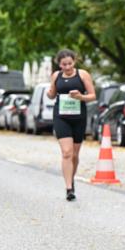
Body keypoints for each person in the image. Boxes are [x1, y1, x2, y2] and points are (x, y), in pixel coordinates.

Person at [47, 49, 96, 201]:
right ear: (59, 64)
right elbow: (52, 94)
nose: (67, 67)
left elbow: (93, 96)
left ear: (74, 62)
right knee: (67, 153)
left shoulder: (83, 74)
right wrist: (49, 93)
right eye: (64, 64)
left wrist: (80, 96)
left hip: (78, 117)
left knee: (74, 155)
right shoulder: (56, 76)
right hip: (61, 117)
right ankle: (69, 188)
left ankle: (71, 179)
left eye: (70, 63)